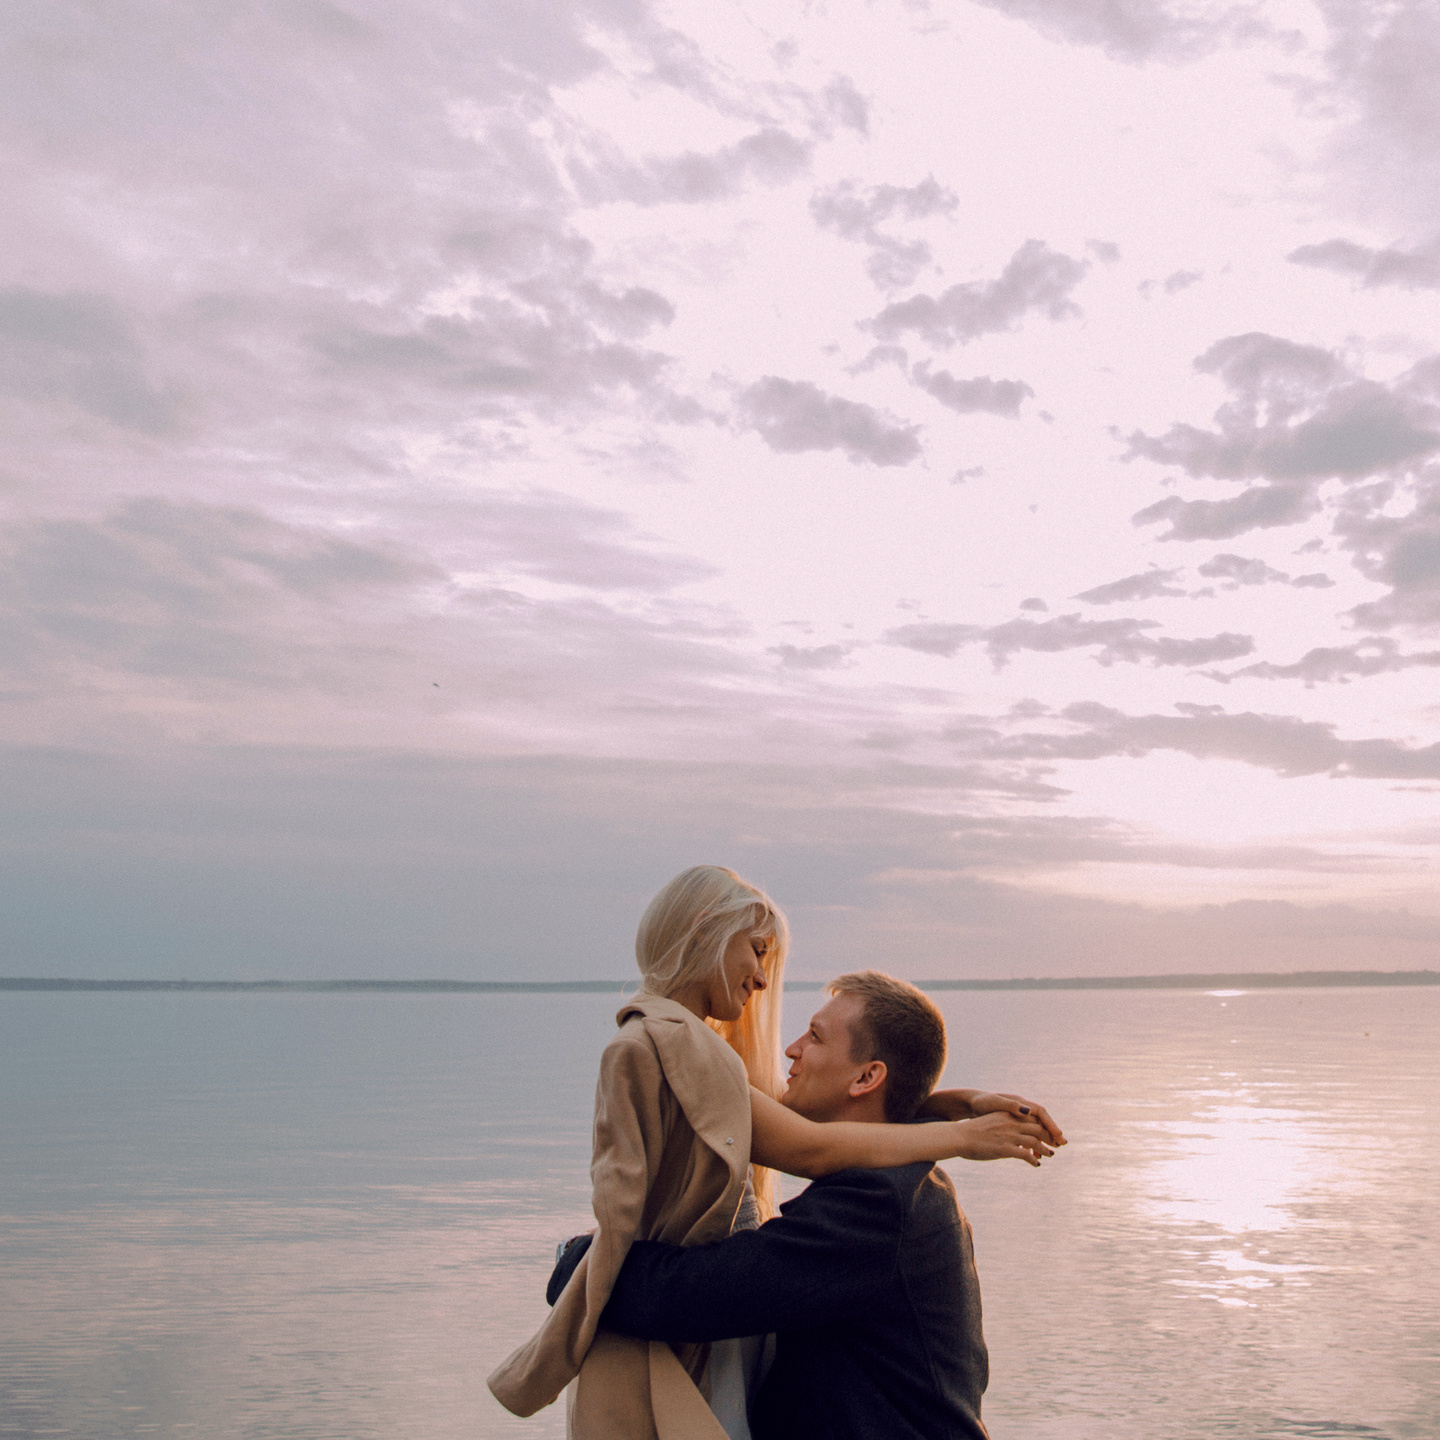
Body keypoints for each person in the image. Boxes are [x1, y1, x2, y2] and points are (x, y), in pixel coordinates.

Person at [487, 867, 1056, 1440]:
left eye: (814, 1036)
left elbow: (692, 1298)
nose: (790, 1047)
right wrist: (954, 1106)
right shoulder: (903, 1185)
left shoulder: (879, 1204)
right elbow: (833, 1132)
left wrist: (573, 1260)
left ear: (866, 1077)